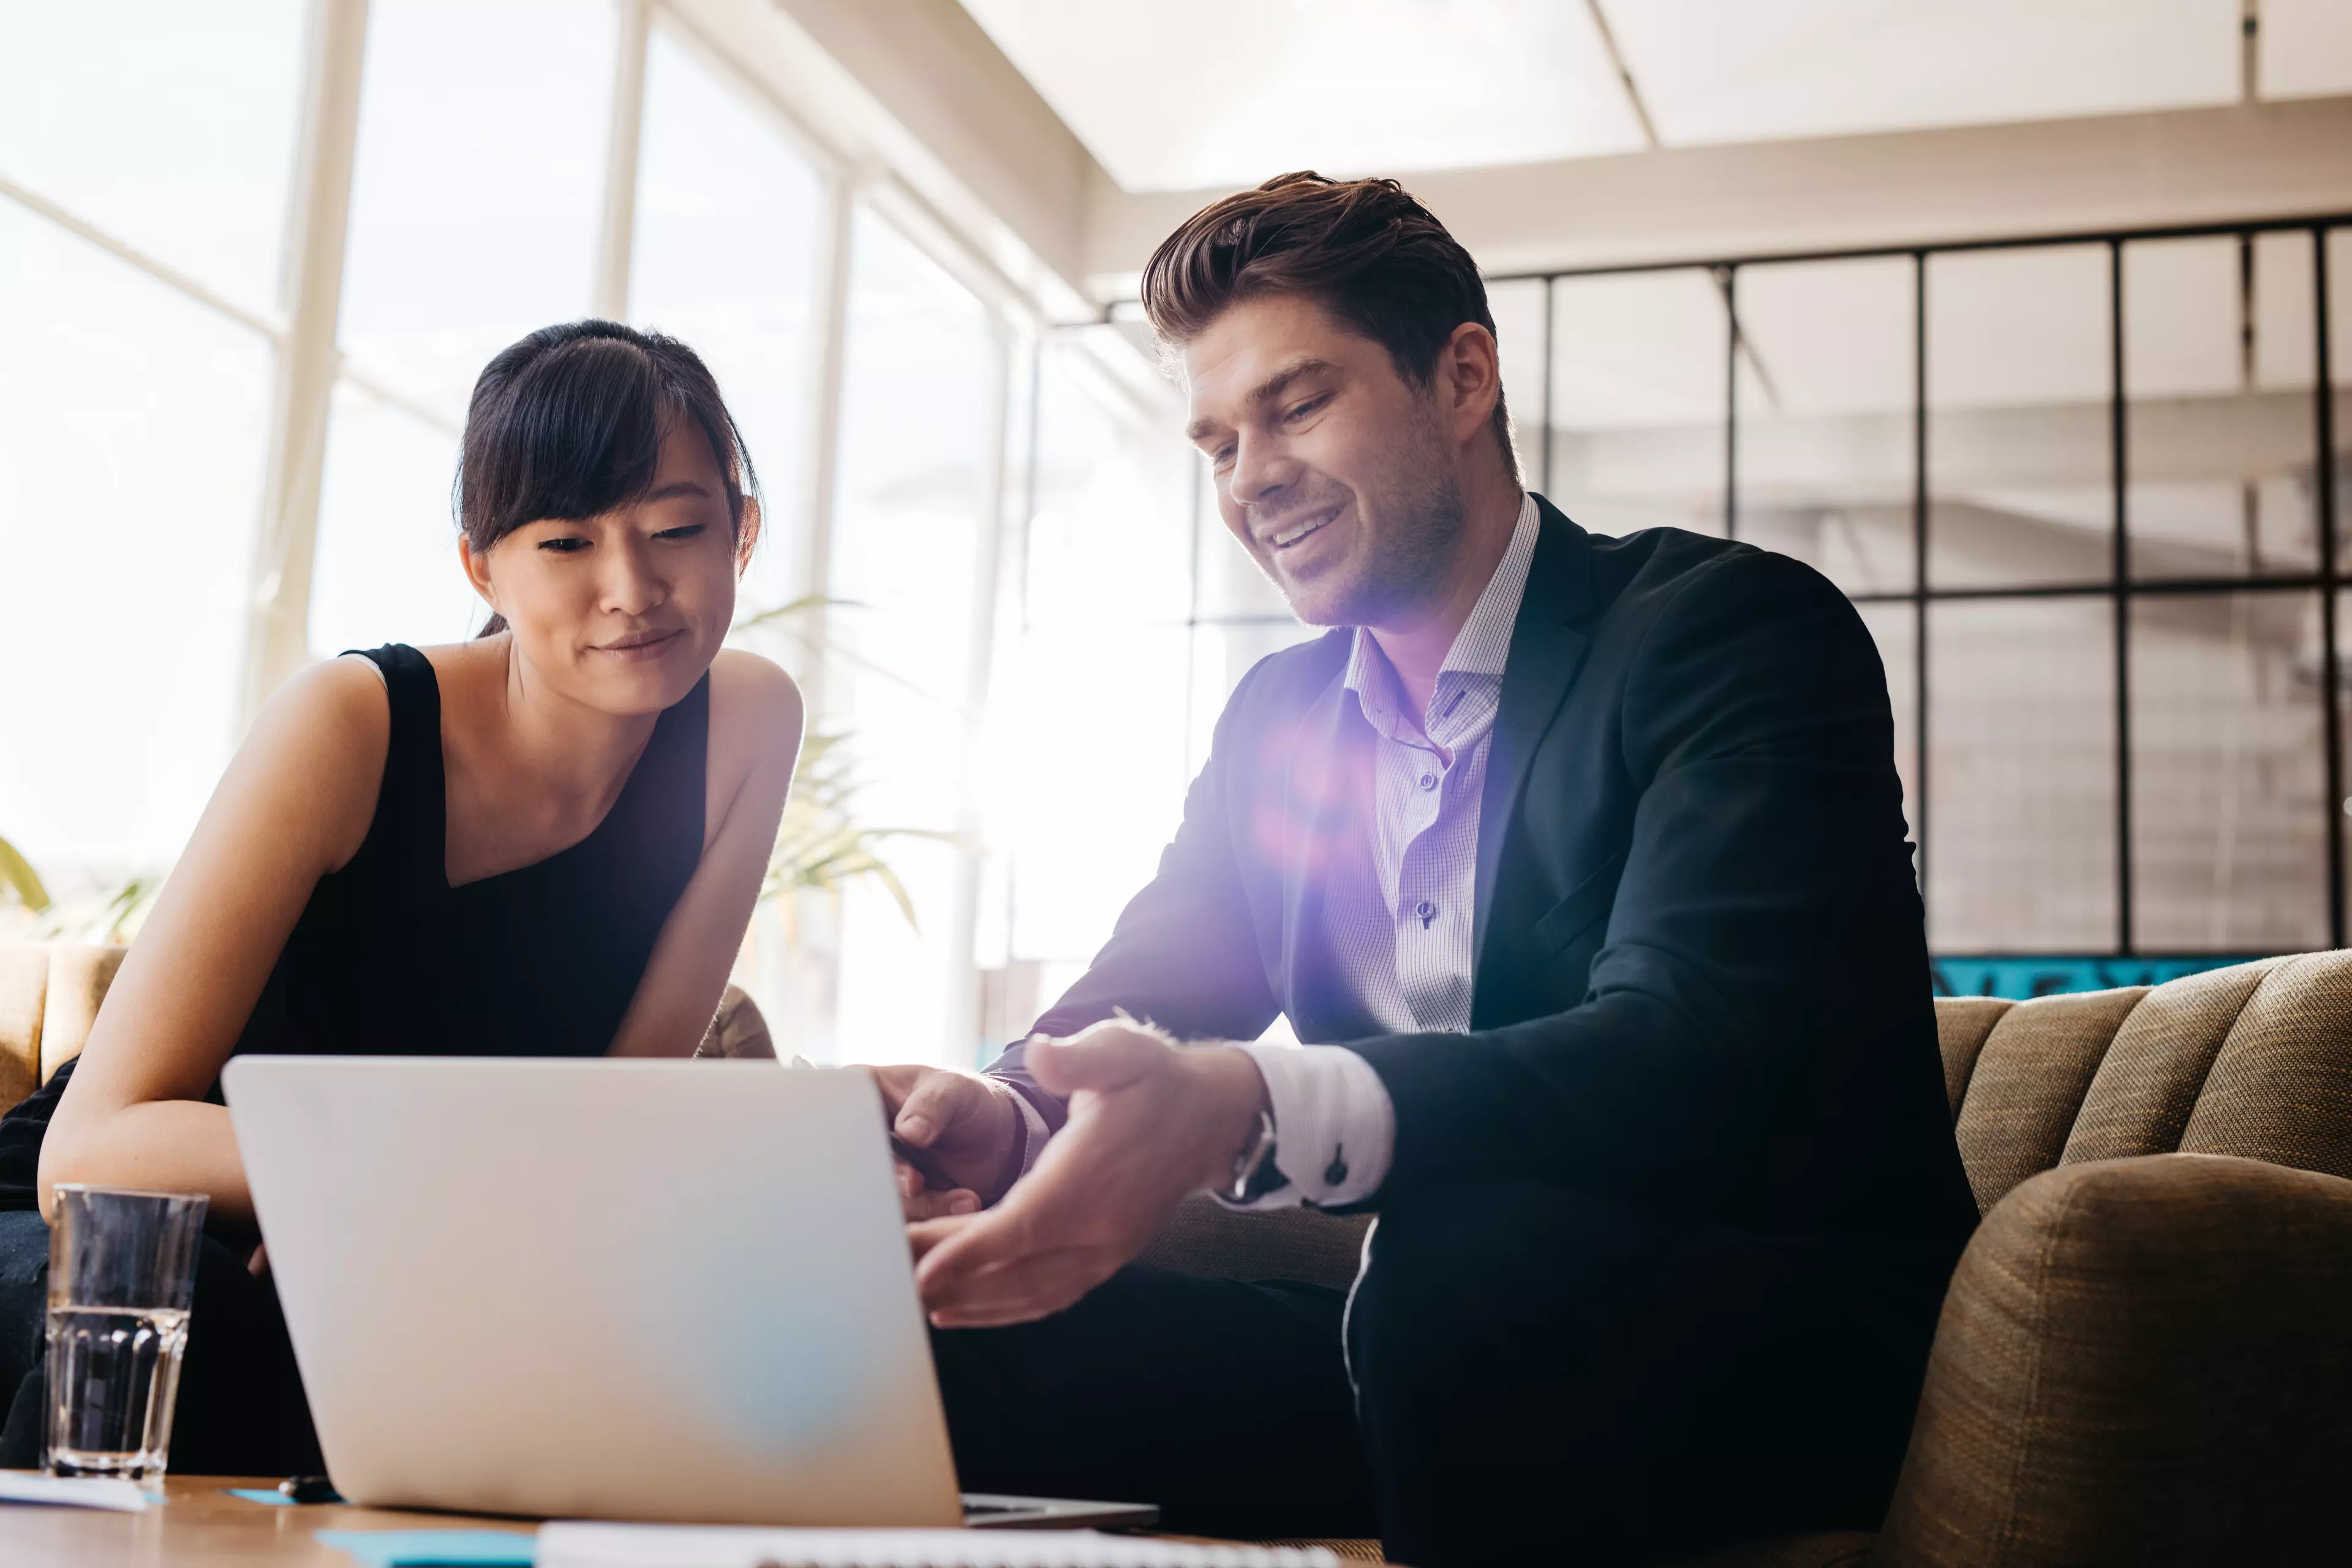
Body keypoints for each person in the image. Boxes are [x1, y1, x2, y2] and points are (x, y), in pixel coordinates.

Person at [870, 173, 1979, 1566]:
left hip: (1767, 1339)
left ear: (1462, 379)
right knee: (934, 1322)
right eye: (1217, 443)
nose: (1250, 477)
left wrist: (1250, 1105)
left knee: (1459, 1272)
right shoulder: (1277, 717)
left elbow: (1687, 1053)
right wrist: (1007, 1108)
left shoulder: (1731, 638)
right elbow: (1153, 985)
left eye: (1297, 404)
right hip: (1426, 1349)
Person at [0, 322, 803, 1472]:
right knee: (231, 1331)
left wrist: (413, 1216)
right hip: (119, 1240)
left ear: (743, 529)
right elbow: (97, 1148)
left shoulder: (749, 723)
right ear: (483, 567)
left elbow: (619, 1115)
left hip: (423, 1233)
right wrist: (371, 1194)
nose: (633, 591)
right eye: (567, 543)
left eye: (680, 529)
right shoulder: (353, 723)